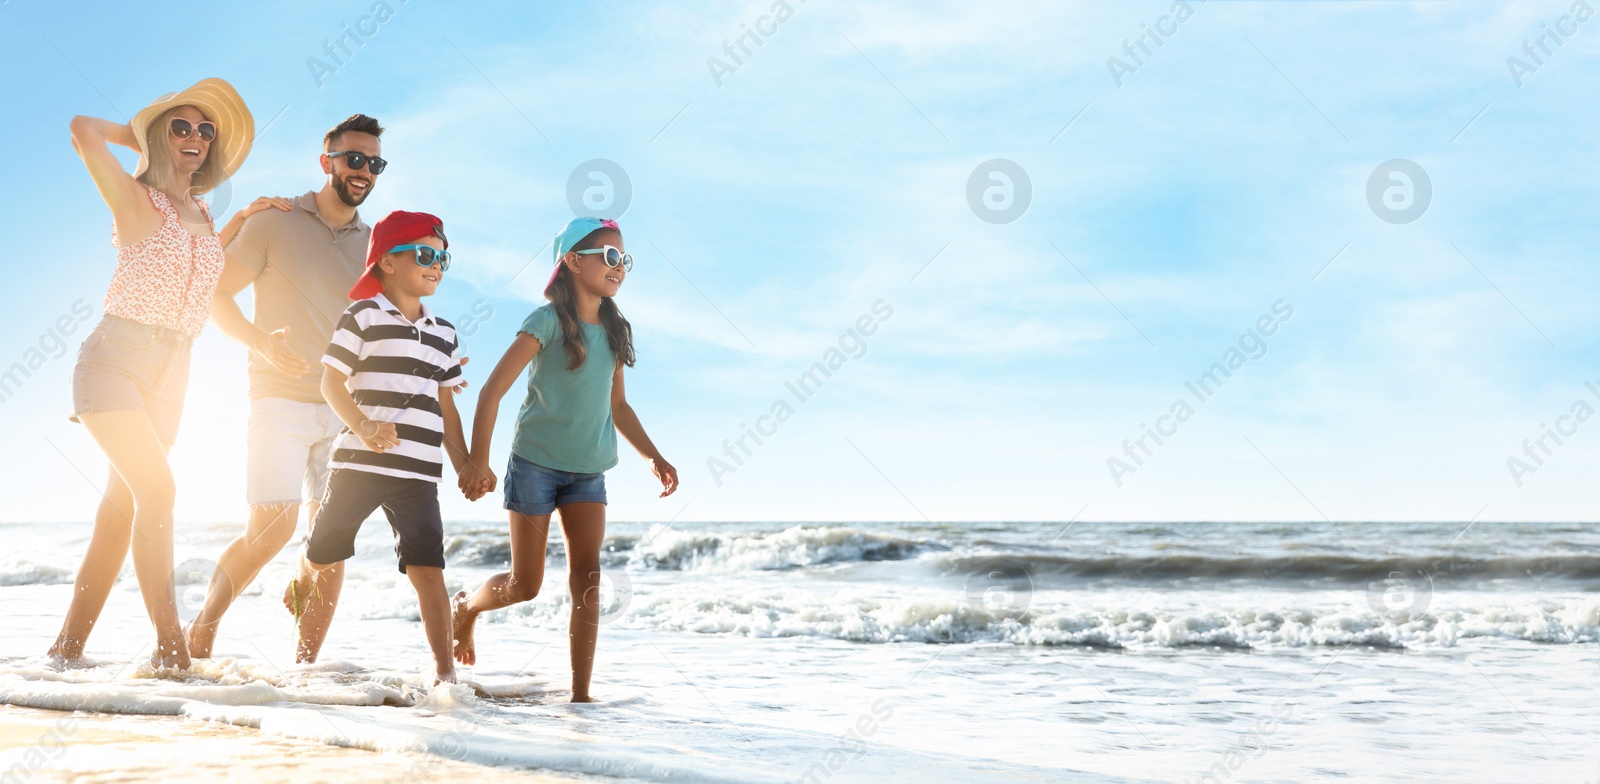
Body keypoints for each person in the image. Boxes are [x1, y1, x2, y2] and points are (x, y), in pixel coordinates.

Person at [51, 78, 255, 670]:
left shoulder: (203, 212)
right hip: (115, 360)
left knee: (120, 512)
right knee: (160, 491)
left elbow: (204, 272)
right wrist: (141, 135)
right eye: (181, 126)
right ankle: (172, 649)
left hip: (175, 375)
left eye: (205, 129)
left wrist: (245, 214)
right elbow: (82, 129)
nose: (195, 137)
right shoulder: (135, 201)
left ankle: (66, 649)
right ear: (160, 138)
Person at [450, 217, 678, 702]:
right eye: (610, 257)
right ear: (574, 261)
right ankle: (466, 606)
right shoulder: (547, 321)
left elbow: (618, 406)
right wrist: (477, 461)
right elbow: (491, 391)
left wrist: (652, 456)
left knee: (588, 577)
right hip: (534, 464)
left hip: (588, 471)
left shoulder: (617, 330)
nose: (620, 267)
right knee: (525, 584)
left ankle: (580, 695)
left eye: (625, 260)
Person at [185, 114, 388, 660]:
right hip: (277, 396)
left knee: (329, 545)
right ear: (328, 162)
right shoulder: (275, 222)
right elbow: (217, 295)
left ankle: (305, 674)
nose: (364, 171)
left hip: (346, 409)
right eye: (354, 159)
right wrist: (260, 341)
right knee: (273, 528)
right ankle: (201, 630)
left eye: (374, 163)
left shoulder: (376, 246)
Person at [285, 211, 470, 683]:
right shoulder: (363, 316)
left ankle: (445, 677)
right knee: (325, 554)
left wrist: (465, 464)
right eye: (426, 254)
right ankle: (303, 663)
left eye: (443, 258)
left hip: (419, 474)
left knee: (428, 567)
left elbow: (447, 408)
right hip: (359, 463)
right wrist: (363, 426)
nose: (437, 265)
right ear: (388, 261)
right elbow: (330, 382)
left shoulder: (445, 333)